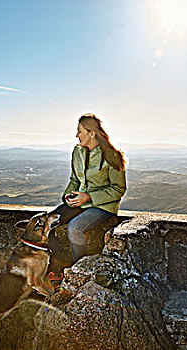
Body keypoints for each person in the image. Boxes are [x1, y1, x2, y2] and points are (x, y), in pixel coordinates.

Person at [47, 113, 127, 279]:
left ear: (92, 133)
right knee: (48, 223)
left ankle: (79, 271)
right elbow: (74, 179)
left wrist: (89, 197)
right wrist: (69, 195)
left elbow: (118, 189)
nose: (77, 135)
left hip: (103, 206)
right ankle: (56, 271)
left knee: (75, 228)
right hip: (80, 202)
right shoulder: (77, 152)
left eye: (80, 131)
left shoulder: (112, 156)